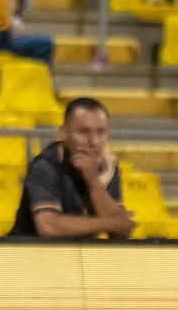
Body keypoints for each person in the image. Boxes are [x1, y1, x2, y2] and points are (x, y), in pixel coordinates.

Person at [10, 97, 134, 240]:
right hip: (29, 251)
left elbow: (121, 232)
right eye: (83, 132)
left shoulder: (108, 167)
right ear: (63, 133)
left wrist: (93, 181)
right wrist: (109, 223)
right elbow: (49, 227)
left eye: (100, 132)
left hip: (81, 251)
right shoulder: (45, 166)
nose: (93, 141)